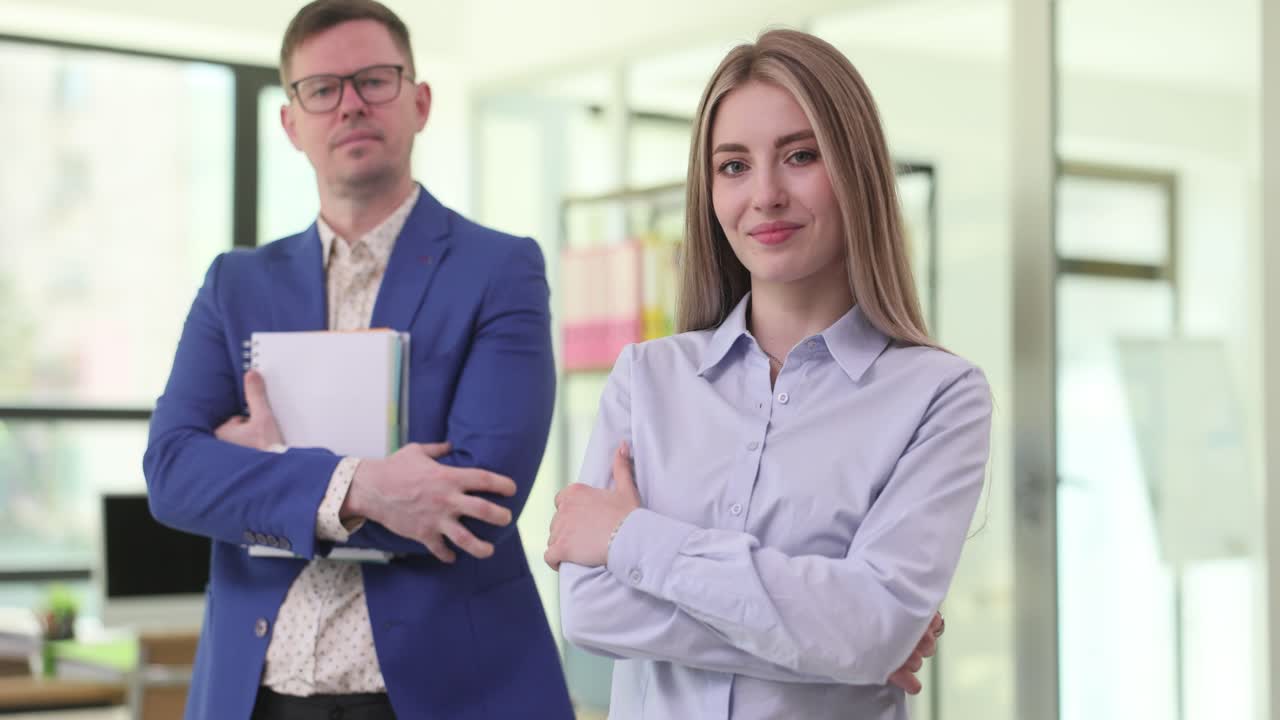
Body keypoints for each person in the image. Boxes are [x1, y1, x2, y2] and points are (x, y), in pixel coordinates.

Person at [142, 1, 573, 718]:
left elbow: (477, 506)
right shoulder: (234, 284)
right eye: (322, 89)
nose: (350, 105)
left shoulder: (500, 270)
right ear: (291, 123)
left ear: (420, 102)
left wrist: (263, 472)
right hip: (257, 695)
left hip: (438, 692)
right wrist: (363, 487)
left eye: (374, 80)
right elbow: (172, 474)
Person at [545, 28, 991, 719]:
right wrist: (838, 636)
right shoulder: (647, 377)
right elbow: (592, 612)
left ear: (856, 170)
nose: (766, 194)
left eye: (801, 156)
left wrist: (632, 538)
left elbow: (870, 631)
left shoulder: (940, 397)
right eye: (733, 166)